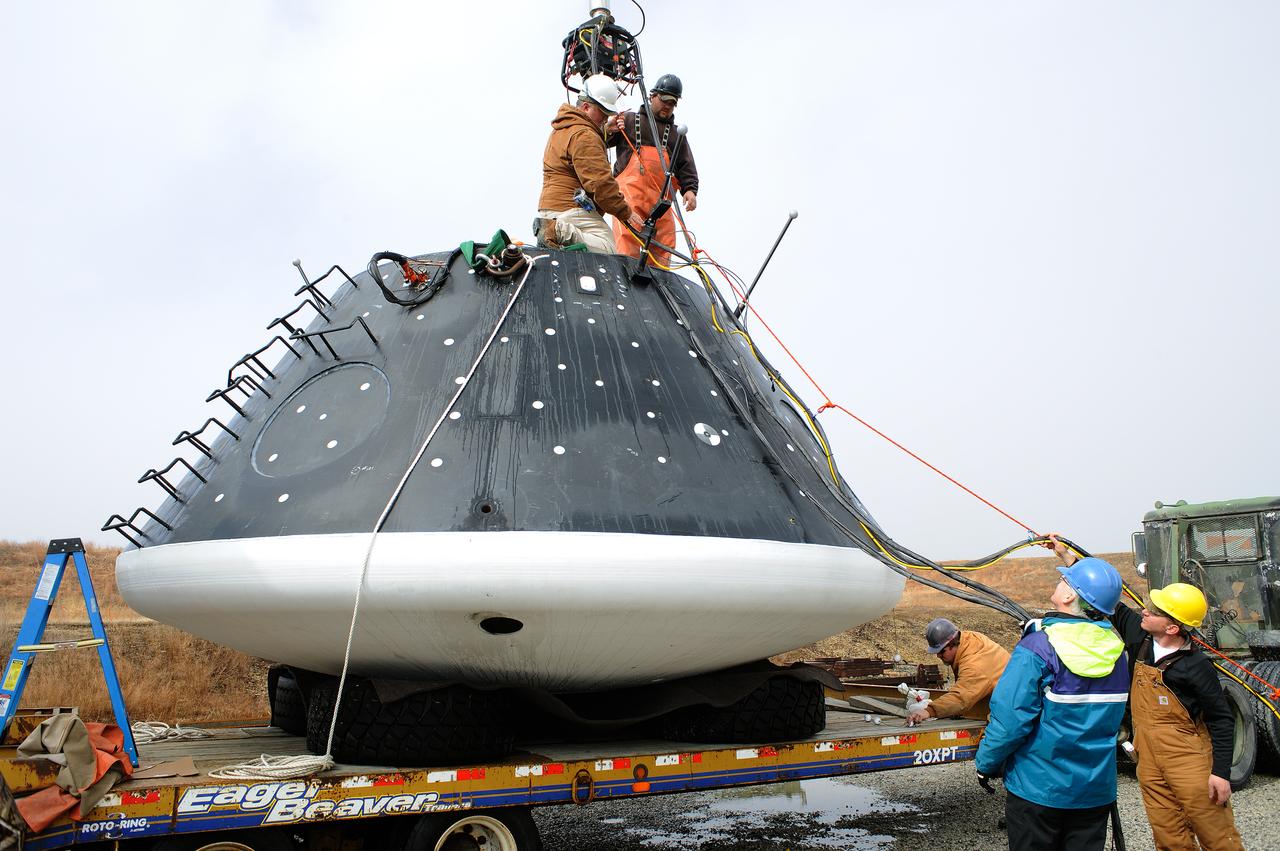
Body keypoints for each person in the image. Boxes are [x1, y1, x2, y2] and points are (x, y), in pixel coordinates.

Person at [1048, 539, 1245, 851]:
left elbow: (1221, 720)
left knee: (1216, 836)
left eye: (1154, 611)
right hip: (1148, 760)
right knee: (1168, 838)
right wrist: (1069, 559)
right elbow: (1110, 604)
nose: (1145, 610)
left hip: (1189, 762)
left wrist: (1220, 774)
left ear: (1172, 628)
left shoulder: (1197, 667)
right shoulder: (1139, 637)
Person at [974, 556, 1129, 851]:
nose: (1058, 583)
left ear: (1070, 595)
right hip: (1094, 792)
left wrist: (986, 763)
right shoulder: (1118, 653)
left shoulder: (1039, 647)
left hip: (1038, 792)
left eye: (1064, 580)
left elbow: (1010, 720)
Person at [536, 74, 644, 253]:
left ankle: (556, 231)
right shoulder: (585, 135)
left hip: (550, 208)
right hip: (569, 210)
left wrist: (605, 132)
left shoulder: (563, 127)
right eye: (602, 112)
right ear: (586, 107)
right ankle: (558, 231)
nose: (605, 118)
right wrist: (626, 212)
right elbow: (600, 184)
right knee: (608, 247)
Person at [606, 73, 699, 266]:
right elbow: (602, 142)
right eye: (664, 100)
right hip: (631, 195)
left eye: (672, 103)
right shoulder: (630, 120)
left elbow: (685, 165)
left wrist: (690, 190)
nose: (667, 105)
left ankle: (659, 284)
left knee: (665, 241)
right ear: (653, 96)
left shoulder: (676, 135)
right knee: (627, 235)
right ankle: (626, 273)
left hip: (661, 201)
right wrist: (608, 128)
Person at [906, 618, 1010, 724]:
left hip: (1011, 713)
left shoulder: (975, 666)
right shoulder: (969, 639)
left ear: (953, 643)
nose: (938, 655)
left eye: (942, 651)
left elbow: (961, 698)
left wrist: (929, 711)